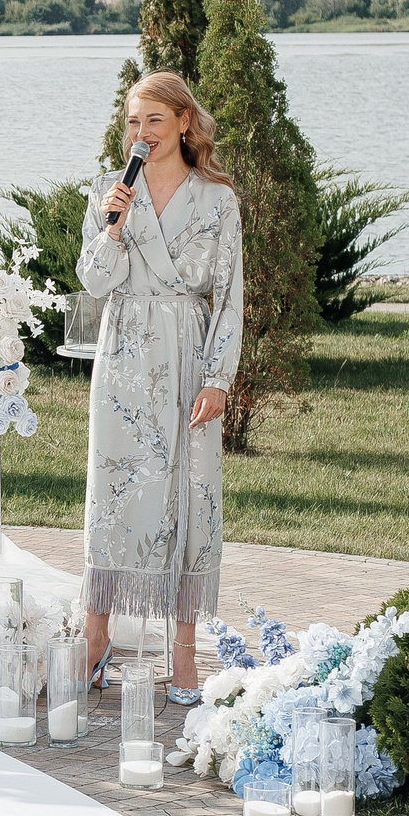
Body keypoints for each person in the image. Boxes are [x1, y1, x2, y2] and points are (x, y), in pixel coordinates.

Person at [74, 69, 244, 705]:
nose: (140, 133)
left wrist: (219, 379)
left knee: (190, 496)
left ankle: (184, 650)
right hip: (124, 356)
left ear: (182, 122)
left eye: (152, 120)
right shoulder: (108, 193)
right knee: (114, 497)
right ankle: (96, 636)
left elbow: (229, 297)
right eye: (131, 123)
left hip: (190, 350)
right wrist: (114, 225)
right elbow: (96, 282)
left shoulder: (217, 201)